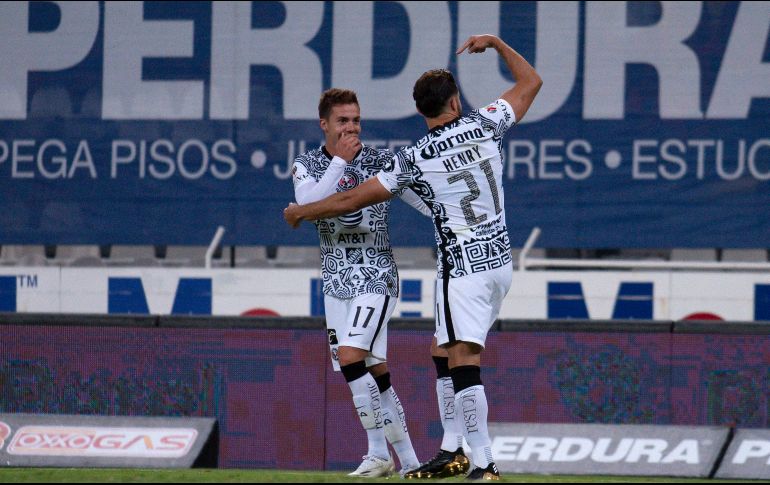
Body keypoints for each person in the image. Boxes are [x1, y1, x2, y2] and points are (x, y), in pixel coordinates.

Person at [284, 34, 542, 481]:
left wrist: (301, 211)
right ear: (456, 102)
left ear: (421, 112)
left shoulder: (415, 158)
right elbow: (531, 82)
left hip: (462, 267)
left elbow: (348, 202)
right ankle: (451, 450)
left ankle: (483, 464)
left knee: (462, 358)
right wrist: (499, 44)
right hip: (500, 260)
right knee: (441, 350)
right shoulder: (487, 123)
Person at [292, 88, 431, 478]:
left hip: (375, 276)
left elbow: (421, 201)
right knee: (376, 372)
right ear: (324, 124)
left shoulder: (380, 162)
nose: (351, 127)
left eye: (355, 119)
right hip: (336, 284)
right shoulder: (306, 165)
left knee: (354, 357)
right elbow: (308, 206)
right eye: (342, 120)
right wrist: (339, 163)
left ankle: (376, 453)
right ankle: (411, 464)